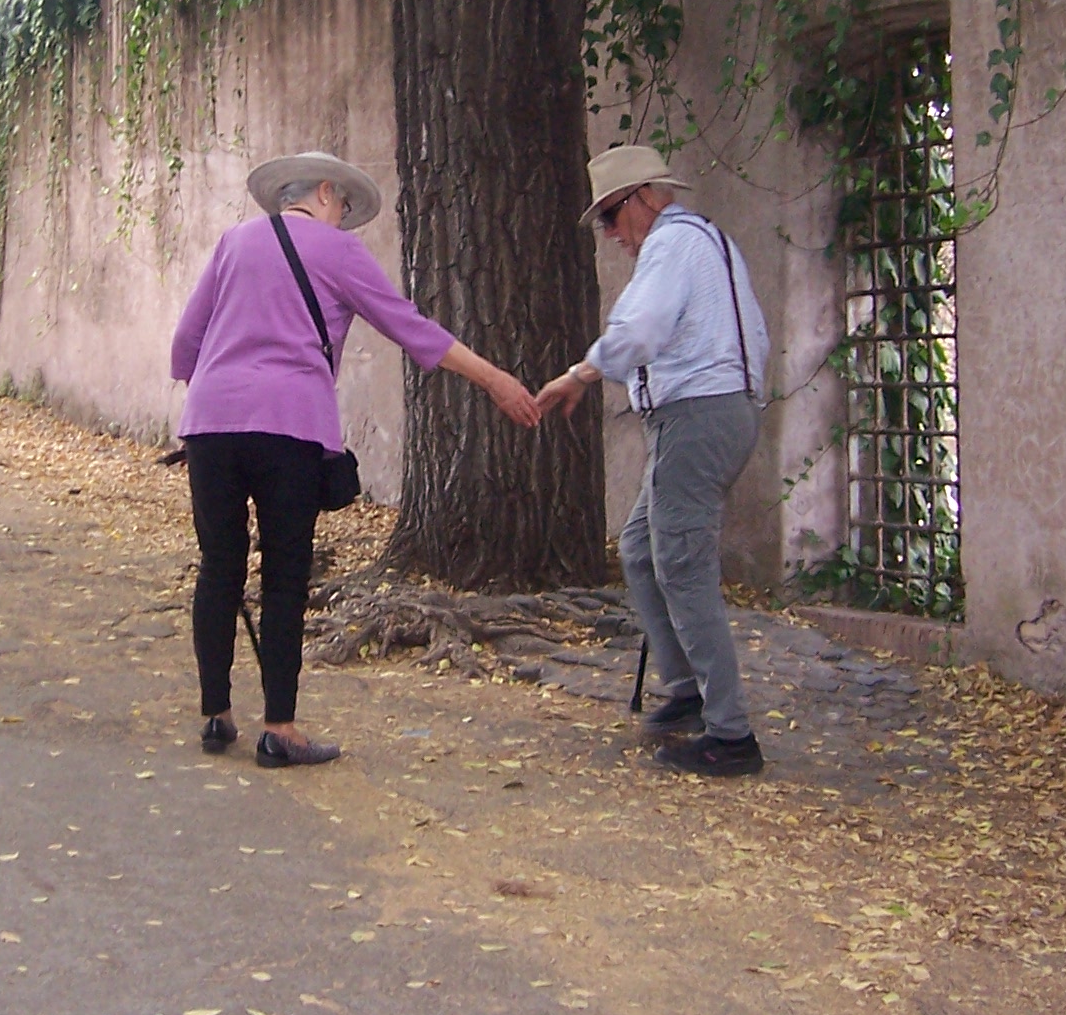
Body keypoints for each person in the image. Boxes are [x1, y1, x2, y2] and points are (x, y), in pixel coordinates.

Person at [172, 151, 540, 767]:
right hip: (289, 425)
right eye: (342, 206)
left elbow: (187, 341)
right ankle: (280, 728)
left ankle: (216, 716)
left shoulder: (233, 243)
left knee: (218, 566)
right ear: (323, 192)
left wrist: (213, 408)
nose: (342, 218)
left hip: (210, 423)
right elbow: (410, 327)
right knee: (285, 573)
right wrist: (495, 379)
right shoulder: (337, 250)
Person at [533, 144, 771, 778]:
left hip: (696, 416)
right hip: (712, 413)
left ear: (642, 197)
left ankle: (730, 734)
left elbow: (640, 332)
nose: (610, 234)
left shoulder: (670, 245)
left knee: (682, 564)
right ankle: (688, 690)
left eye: (610, 216)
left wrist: (581, 373)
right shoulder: (704, 241)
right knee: (641, 548)